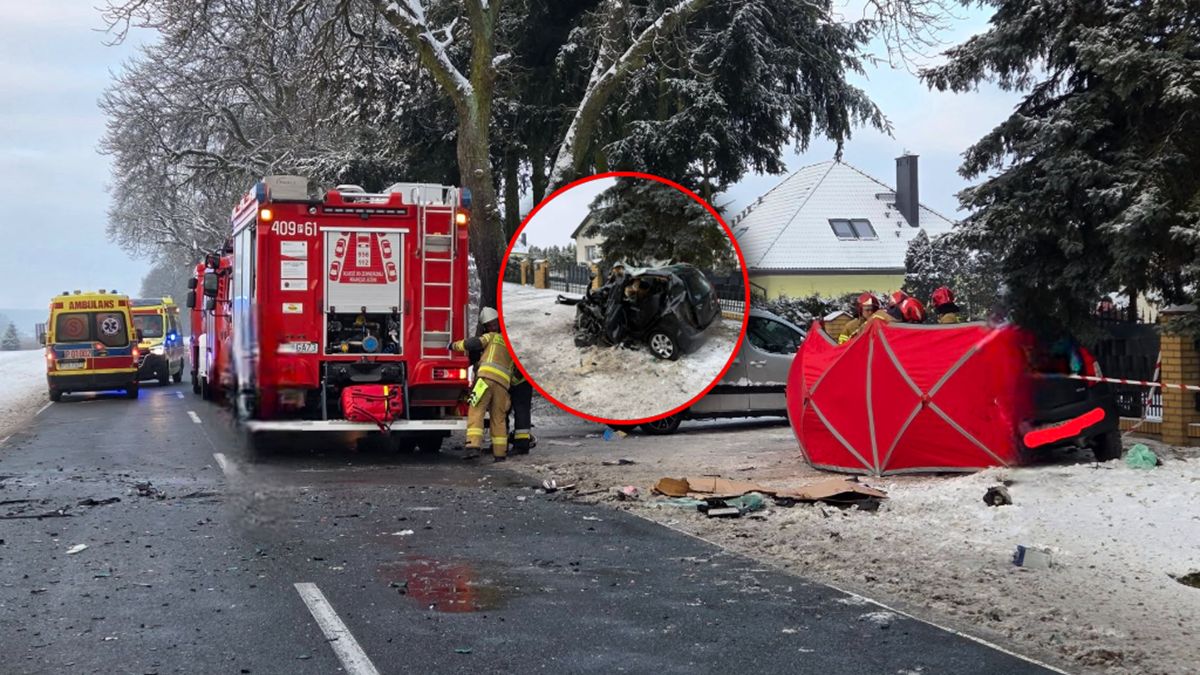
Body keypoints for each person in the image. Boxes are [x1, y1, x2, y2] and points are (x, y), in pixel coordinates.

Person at [450, 307, 513, 462]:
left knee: (476, 409)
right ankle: (500, 454)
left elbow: (473, 344)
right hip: (503, 385)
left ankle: (473, 446)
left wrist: (453, 346)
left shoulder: (490, 337)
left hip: (485, 379)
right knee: (498, 418)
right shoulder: (511, 342)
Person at [508, 365, 534, 455]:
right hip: (519, 380)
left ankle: (521, 445)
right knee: (519, 411)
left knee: (521, 412)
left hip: (521, 382)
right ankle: (501, 445)